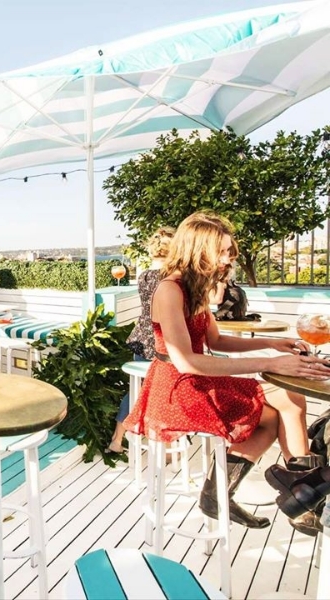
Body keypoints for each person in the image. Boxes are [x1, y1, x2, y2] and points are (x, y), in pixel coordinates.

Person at [124, 211, 327, 530]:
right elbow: (185, 360)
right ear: (196, 249)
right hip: (178, 387)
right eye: (220, 252)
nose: (226, 259)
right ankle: (290, 491)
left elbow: (216, 340)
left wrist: (272, 344)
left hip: (196, 379)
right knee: (276, 411)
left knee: (288, 401)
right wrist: (269, 363)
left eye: (229, 251)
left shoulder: (194, 287)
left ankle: (292, 489)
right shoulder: (170, 290)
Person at [107, 227, 175, 454]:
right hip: (161, 340)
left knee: (136, 390)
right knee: (164, 391)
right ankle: (165, 446)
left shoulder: (144, 275)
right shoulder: (171, 279)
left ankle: (117, 439)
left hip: (142, 338)